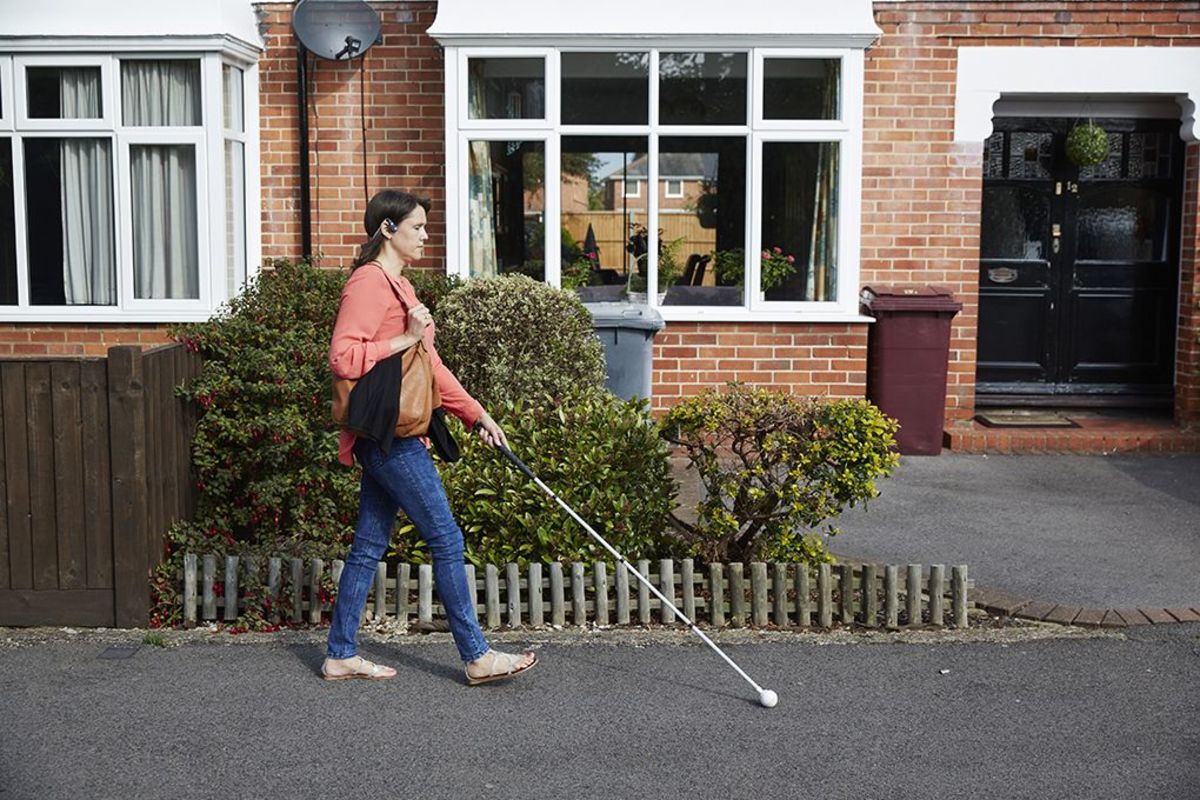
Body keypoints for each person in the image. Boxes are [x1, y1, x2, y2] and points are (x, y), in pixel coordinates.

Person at [323, 189, 537, 685]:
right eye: (417, 227)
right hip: (388, 438)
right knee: (445, 537)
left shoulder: (402, 288)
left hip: (396, 435)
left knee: (368, 546)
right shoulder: (369, 284)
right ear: (388, 230)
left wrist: (476, 415)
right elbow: (342, 357)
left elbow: (430, 366)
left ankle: (340, 654)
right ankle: (478, 656)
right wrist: (405, 339)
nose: (426, 235)